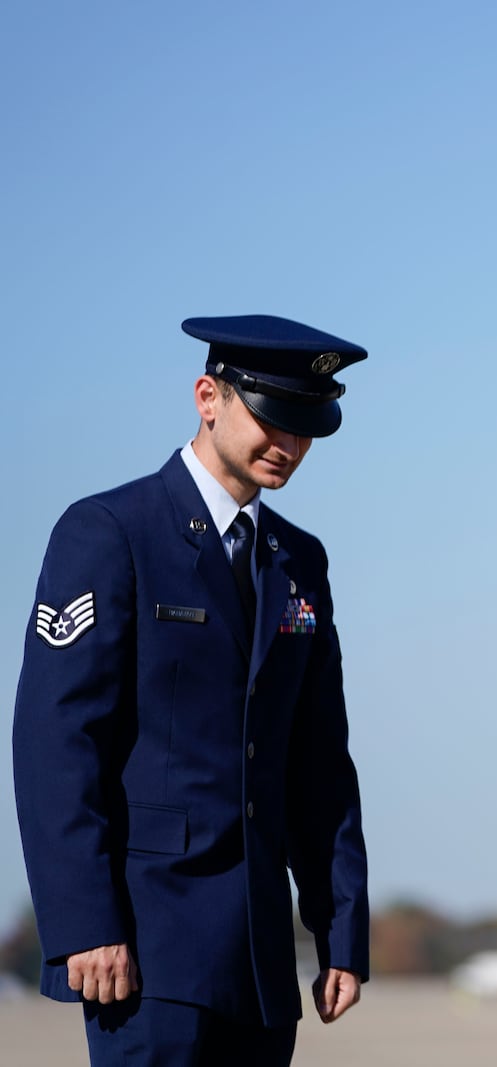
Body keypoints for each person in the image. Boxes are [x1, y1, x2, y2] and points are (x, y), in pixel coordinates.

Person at [12, 315, 372, 1066]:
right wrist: (83, 923)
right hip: (144, 951)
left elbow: (320, 765)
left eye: (308, 427)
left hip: (261, 957)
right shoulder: (110, 531)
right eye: (274, 418)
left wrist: (341, 931)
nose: (290, 443)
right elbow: (56, 741)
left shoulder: (300, 561)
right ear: (208, 397)